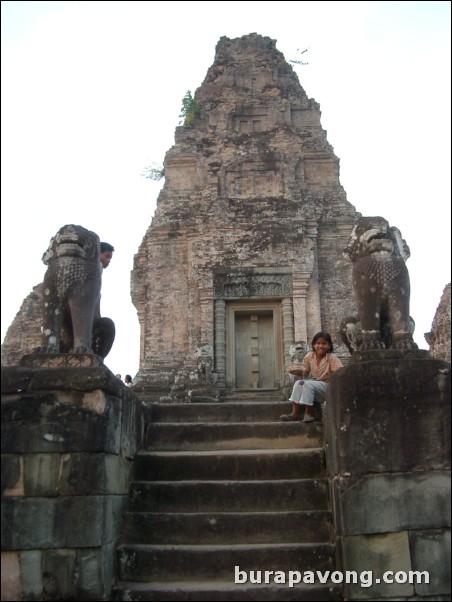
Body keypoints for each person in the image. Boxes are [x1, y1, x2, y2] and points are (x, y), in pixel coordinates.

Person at [280, 331, 343, 423]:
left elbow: (339, 372)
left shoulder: (331, 357)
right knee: (299, 383)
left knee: (307, 384)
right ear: (313, 345)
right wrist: (299, 372)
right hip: (314, 385)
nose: (320, 346)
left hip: (327, 386)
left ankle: (308, 414)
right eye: (318, 343)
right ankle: (294, 414)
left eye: (324, 343)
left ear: (329, 346)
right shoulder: (309, 356)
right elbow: (305, 371)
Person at [91, 242, 116, 359]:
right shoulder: (88, 272)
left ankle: (97, 360)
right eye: (106, 256)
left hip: (90, 323)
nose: (108, 261)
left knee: (106, 325)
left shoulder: (97, 274)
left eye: (110, 258)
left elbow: (96, 307)